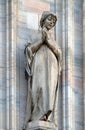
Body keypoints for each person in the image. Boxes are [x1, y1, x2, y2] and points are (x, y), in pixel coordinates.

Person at [23, 11, 62, 129]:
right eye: (49, 19)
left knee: (50, 91)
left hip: (52, 68)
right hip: (39, 65)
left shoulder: (53, 40)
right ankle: (37, 115)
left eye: (54, 21)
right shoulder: (35, 35)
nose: (51, 22)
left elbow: (59, 53)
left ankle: (47, 116)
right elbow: (29, 50)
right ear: (43, 20)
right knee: (39, 88)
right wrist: (41, 41)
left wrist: (49, 42)